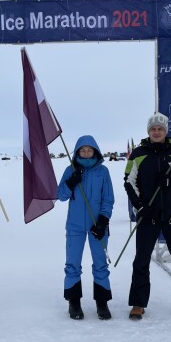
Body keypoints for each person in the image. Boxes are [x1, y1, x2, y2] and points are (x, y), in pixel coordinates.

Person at [123, 112, 171, 321]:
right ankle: (138, 303)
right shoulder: (138, 153)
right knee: (141, 260)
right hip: (148, 215)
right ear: (148, 131)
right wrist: (140, 206)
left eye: (160, 129)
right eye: (153, 129)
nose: (156, 132)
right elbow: (128, 181)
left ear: (165, 131)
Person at [57, 135, 114, 320]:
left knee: (100, 263)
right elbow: (61, 195)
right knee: (72, 264)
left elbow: (108, 199)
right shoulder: (70, 170)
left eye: (90, 150)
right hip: (75, 226)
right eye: (83, 150)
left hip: (98, 225)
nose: (87, 153)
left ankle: (102, 302)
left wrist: (103, 221)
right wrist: (70, 182)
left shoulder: (103, 172)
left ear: (95, 151)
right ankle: (74, 302)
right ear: (77, 152)